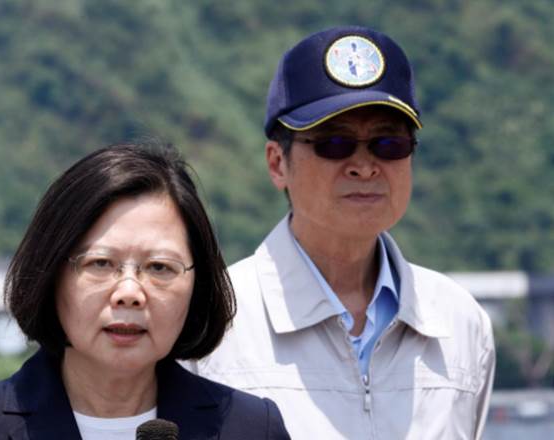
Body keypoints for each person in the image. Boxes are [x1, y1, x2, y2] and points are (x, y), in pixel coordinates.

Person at [191, 25, 496, 439]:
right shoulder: (214, 321)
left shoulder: (459, 324)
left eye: (388, 144)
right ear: (277, 163)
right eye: (334, 143)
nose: (364, 167)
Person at [0, 143, 290, 440]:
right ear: (51, 274)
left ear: (197, 283)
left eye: (159, 267)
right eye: (100, 263)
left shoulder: (252, 429)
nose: (129, 292)